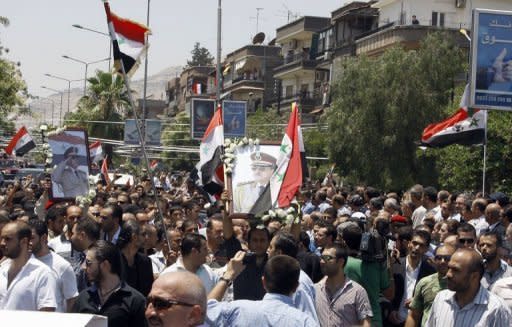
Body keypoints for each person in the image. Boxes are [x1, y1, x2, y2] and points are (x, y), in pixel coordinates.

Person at [206, 253, 319, 327]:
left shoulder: (237, 310)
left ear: (263, 282)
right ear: (296, 287)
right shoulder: (305, 322)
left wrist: (228, 276)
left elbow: (204, 311)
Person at [426, 248, 512, 327]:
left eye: (455, 270)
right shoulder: (441, 299)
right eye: (449, 268)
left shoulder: (496, 309)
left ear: (474, 276)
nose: (448, 274)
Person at [72, 240, 147, 327]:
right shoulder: (83, 298)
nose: (83, 267)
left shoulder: (135, 301)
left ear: (105, 265)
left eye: (89, 263)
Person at [0, 221, 57, 311]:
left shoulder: (43, 274)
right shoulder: (2, 269)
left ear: (24, 241)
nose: (2, 243)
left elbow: (46, 316)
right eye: (1, 238)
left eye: (8, 239)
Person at [315, 245, 372, 327]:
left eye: (327, 258)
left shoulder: (358, 291)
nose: (322, 262)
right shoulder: (315, 290)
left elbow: (366, 323)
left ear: (341, 262)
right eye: (321, 257)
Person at [29, 219, 78, 312]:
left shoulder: (62, 266)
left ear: (43, 238)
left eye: (32, 238)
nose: (28, 242)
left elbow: (72, 299)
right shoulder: (23, 263)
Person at [389, 230, 436, 325]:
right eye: (415, 243)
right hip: (392, 320)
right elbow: (382, 292)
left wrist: (419, 300)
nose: (417, 248)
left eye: (421, 245)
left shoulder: (430, 272)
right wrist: (390, 310)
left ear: (427, 249)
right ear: (409, 244)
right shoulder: (394, 266)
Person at [405, 244, 456, 327]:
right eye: (438, 258)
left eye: (447, 258)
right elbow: (413, 316)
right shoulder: (424, 283)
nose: (442, 261)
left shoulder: (462, 284)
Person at [117, 219, 154, 296]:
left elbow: (148, 289)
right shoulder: (113, 259)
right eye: (143, 234)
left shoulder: (145, 261)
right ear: (134, 237)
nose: (147, 238)